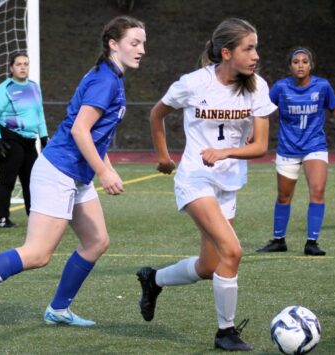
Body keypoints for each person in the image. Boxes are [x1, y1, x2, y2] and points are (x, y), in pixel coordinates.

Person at [0, 15, 146, 330]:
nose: (142, 49)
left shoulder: (110, 76)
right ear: (113, 44)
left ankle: (58, 309)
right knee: (37, 254)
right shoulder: (105, 80)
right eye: (135, 42)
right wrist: (104, 172)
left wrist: (101, 168)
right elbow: (80, 130)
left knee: (96, 241)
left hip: (75, 174)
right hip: (58, 172)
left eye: (143, 42)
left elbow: (93, 133)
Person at [136, 18, 276, 351]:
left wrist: (226, 151)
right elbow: (157, 114)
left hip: (228, 183)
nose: (255, 55)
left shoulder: (257, 86)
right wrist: (163, 156)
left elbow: (259, 146)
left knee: (210, 266)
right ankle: (225, 332)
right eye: (248, 48)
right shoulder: (194, 83)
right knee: (233, 251)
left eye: (256, 47)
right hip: (194, 178)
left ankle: (152, 279)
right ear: (226, 52)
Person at [256, 47, 335, 256]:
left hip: (314, 146)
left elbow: (334, 107)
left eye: (304, 61)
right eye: (296, 62)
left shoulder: (322, 86)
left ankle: (312, 242)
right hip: (287, 148)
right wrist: (251, 131)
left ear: (311, 65)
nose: (300, 65)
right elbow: (263, 111)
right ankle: (279, 240)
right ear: (290, 66)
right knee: (284, 197)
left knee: (317, 191)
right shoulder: (280, 88)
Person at [0, 52, 49, 228]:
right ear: (11, 67)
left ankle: (34, 216)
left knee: (32, 181)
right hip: (10, 139)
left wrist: (43, 136)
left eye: (26, 64)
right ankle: (2, 218)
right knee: (7, 180)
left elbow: (39, 113)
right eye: (19, 64)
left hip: (30, 141)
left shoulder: (35, 87)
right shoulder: (5, 88)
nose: (23, 67)